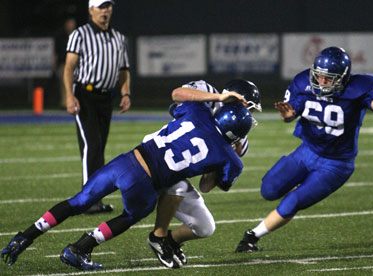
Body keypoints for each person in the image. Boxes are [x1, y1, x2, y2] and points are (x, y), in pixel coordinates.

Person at [1, 91, 253, 270]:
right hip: (145, 182)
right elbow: (206, 187)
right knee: (130, 216)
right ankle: (80, 248)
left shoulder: (199, 110)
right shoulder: (231, 158)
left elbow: (177, 94)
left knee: (78, 201)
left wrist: (217, 97)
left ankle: (25, 236)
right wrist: (226, 155)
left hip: (127, 160)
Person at [235, 46, 373, 253]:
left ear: (343, 77)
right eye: (319, 77)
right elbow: (291, 114)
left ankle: (252, 236)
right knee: (269, 190)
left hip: (336, 164)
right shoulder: (303, 82)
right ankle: (301, 187)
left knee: (292, 201)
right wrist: (287, 116)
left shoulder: (362, 85)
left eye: (328, 79)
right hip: (307, 152)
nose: (321, 82)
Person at [147, 79, 262, 268]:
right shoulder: (205, 94)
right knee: (136, 209)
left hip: (176, 172)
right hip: (155, 157)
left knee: (205, 226)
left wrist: (226, 155)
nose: (248, 113)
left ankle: (169, 241)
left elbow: (205, 186)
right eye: (246, 105)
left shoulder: (237, 136)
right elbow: (176, 95)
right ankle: (90, 242)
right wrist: (216, 100)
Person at [64, 0, 132, 214]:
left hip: (106, 98)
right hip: (85, 95)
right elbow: (68, 68)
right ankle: (88, 199)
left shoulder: (119, 38)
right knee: (92, 147)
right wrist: (69, 95)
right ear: (90, 10)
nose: (104, 11)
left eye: (108, 7)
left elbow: (123, 69)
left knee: (99, 148)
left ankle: (96, 199)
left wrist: (125, 92)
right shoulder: (80, 34)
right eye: (100, 7)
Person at [54, 17, 76, 108]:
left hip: (75, 65)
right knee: (64, 84)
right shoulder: (61, 36)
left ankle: (76, 101)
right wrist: (55, 64)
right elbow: (56, 52)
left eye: (72, 23)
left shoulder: (77, 35)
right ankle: (64, 103)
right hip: (63, 64)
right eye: (69, 23)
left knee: (76, 84)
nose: (71, 25)